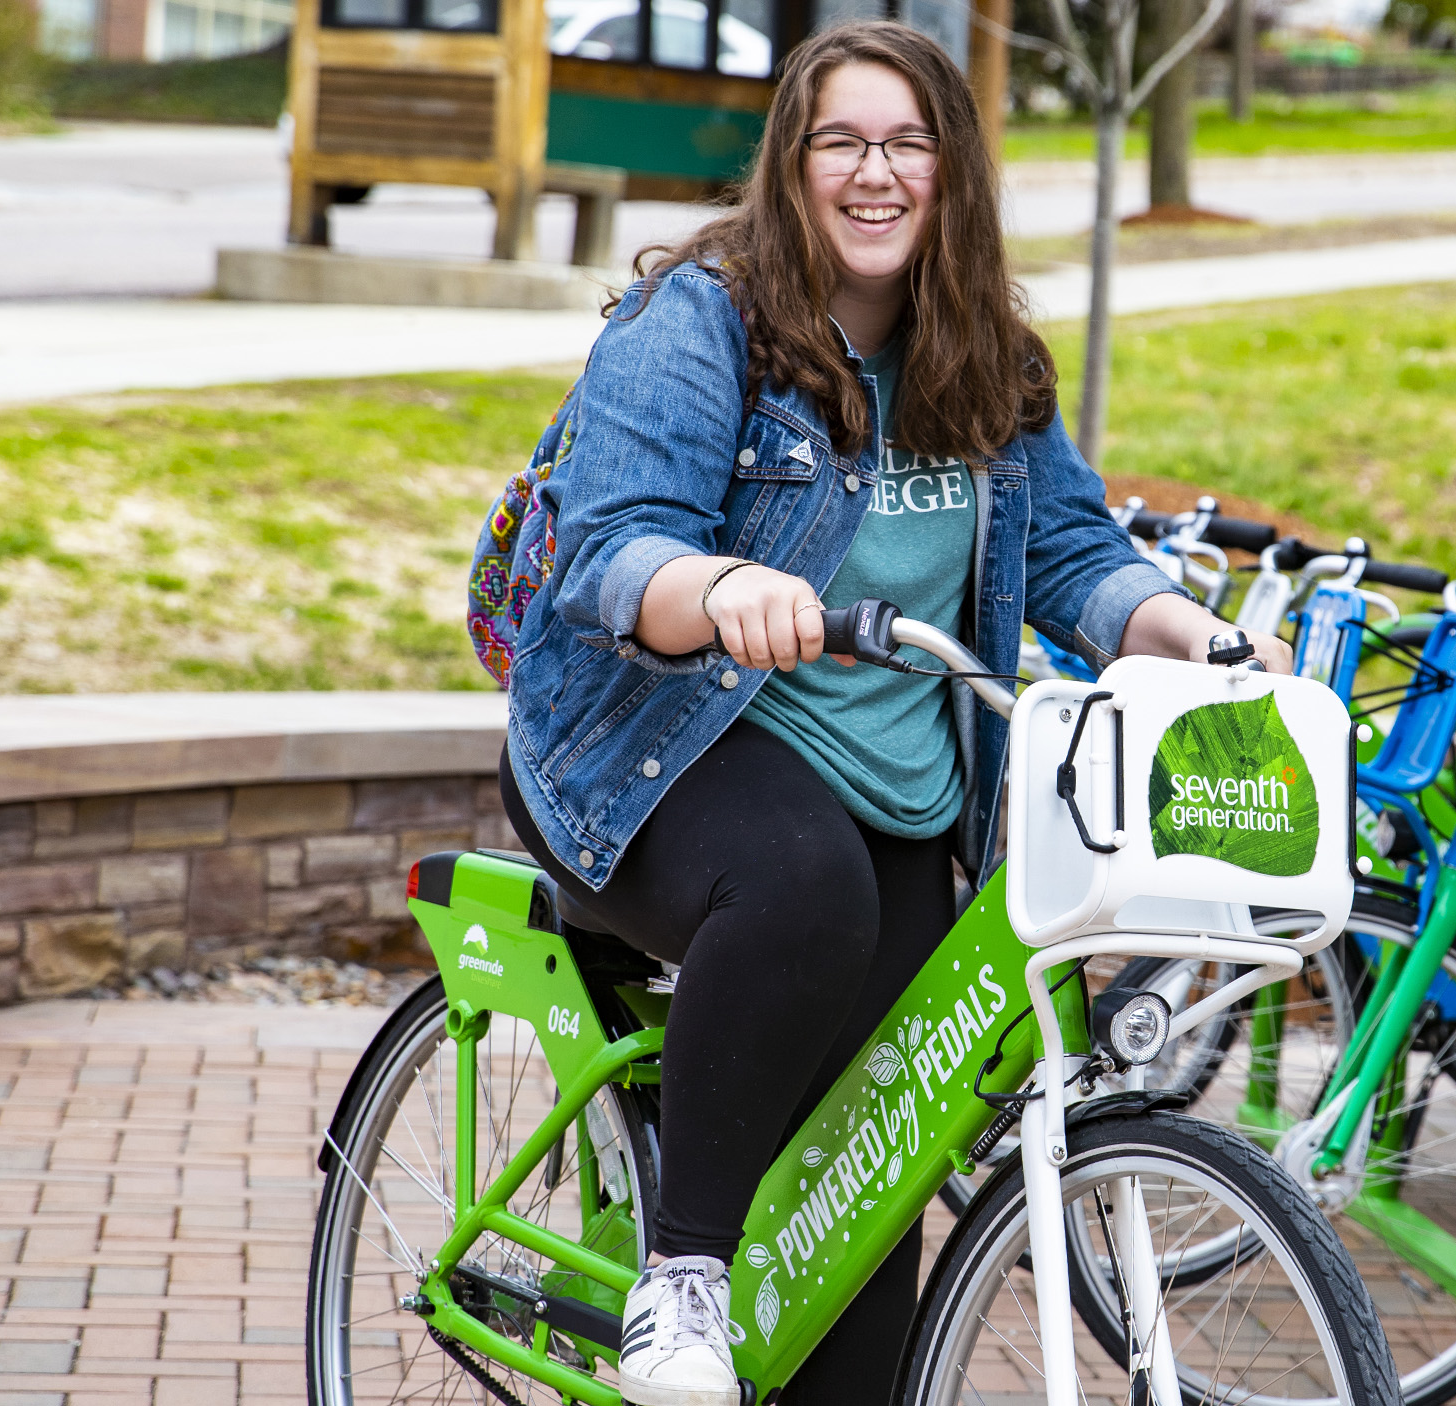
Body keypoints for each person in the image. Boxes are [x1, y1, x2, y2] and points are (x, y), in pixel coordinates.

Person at [493, 20, 1290, 1406]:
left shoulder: (982, 355)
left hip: (907, 795)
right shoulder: (698, 320)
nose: (877, 172)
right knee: (805, 889)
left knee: (869, 1209)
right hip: (653, 747)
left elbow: (1074, 559)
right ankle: (679, 1273)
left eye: (909, 142)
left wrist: (1197, 638)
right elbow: (609, 550)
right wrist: (721, 582)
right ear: (792, 167)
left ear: (951, 171)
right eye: (842, 141)